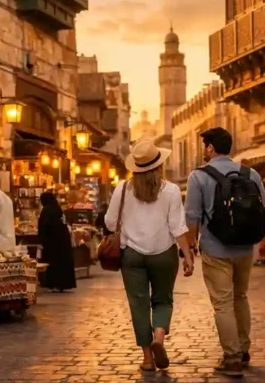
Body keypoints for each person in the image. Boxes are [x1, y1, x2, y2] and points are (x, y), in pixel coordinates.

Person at [185, 127, 265, 376]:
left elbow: (192, 217)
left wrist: (189, 248)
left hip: (215, 248)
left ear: (211, 148)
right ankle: (243, 350)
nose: (204, 151)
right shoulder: (250, 173)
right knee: (240, 297)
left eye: (205, 146)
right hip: (245, 248)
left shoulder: (198, 177)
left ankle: (231, 358)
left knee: (222, 303)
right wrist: (263, 242)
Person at [105, 140, 194, 373]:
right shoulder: (172, 190)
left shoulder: (123, 188)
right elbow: (178, 227)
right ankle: (159, 338)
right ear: (159, 166)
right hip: (164, 253)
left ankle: (147, 358)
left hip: (132, 255)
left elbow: (109, 222)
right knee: (163, 299)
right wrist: (188, 256)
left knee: (139, 305)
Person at [38, 191, 76, 292]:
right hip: (63, 240)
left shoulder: (46, 210)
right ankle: (62, 284)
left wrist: (41, 240)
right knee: (62, 262)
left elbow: (43, 226)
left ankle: (54, 284)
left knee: (53, 263)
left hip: (52, 241)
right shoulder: (58, 209)